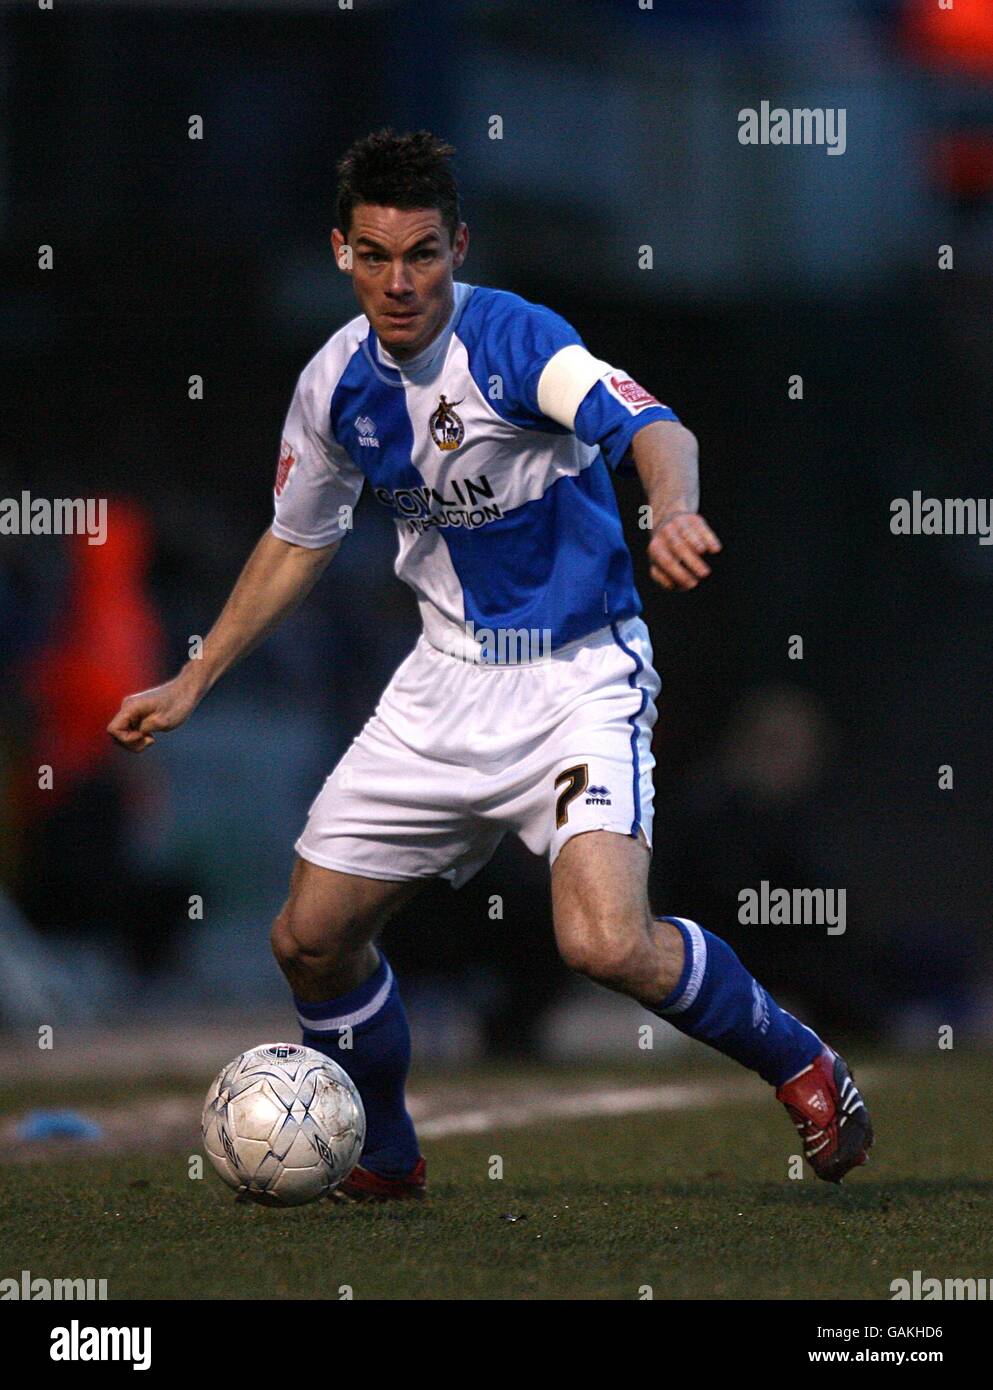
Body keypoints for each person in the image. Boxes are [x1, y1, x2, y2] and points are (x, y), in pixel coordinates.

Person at [108, 129, 872, 1199]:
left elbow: (658, 426)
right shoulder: (334, 385)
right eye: (375, 255)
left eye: (422, 252)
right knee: (309, 939)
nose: (400, 280)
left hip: (576, 678)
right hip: (440, 684)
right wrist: (194, 678)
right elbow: (297, 540)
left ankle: (802, 1059)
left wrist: (673, 508)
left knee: (604, 942)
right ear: (342, 253)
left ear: (458, 246)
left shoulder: (518, 341)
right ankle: (383, 1150)